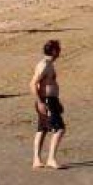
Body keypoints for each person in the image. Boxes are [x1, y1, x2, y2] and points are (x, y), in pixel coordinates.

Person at [31, 40, 65, 170]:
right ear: (54, 51)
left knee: (42, 129)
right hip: (46, 101)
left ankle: (36, 160)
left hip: (50, 100)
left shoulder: (48, 64)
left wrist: (57, 100)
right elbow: (32, 84)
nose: (60, 52)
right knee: (59, 129)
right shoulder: (44, 65)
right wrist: (40, 102)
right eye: (58, 49)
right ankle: (51, 159)